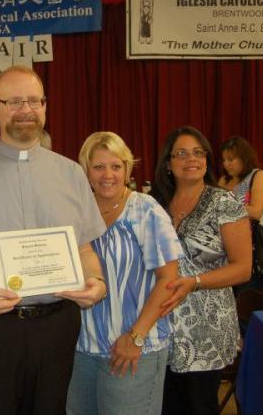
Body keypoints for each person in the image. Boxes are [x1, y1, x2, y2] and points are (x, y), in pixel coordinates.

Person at [0, 65, 108, 415]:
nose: (25, 110)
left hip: (56, 328)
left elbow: (84, 249)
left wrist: (97, 282)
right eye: (13, 102)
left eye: (33, 101)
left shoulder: (71, 174)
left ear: (45, 106)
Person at [67, 132, 183, 415]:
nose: (108, 175)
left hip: (133, 348)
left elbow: (169, 279)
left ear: (127, 169)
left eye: (116, 166)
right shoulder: (76, 211)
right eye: (98, 167)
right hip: (82, 348)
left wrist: (135, 337)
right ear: (86, 171)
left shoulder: (145, 209)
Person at [151, 126, 251, 415]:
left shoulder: (224, 203)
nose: (191, 159)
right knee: (165, 407)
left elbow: (243, 269)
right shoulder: (156, 205)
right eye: (181, 153)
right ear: (168, 163)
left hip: (206, 330)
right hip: (161, 326)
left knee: (198, 406)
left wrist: (194, 281)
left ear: (207, 160)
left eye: (198, 152)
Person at [218, 135, 263, 292]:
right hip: (226, 250)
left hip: (252, 250)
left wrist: (226, 204)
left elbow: (256, 211)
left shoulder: (258, 175)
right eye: (224, 160)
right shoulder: (223, 181)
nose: (226, 164)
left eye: (231, 159)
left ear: (244, 157)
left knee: (245, 298)